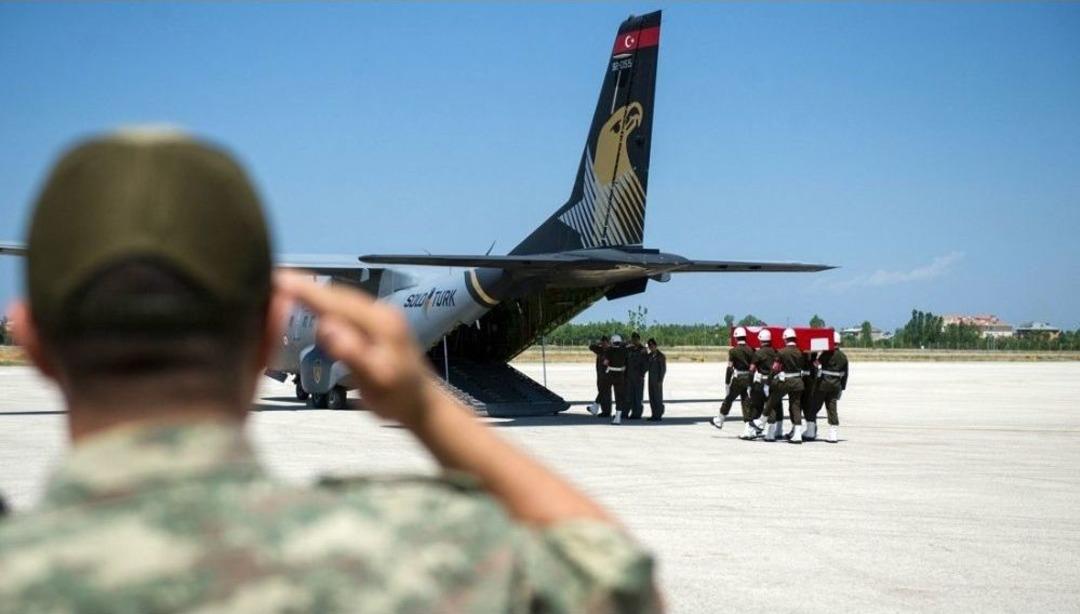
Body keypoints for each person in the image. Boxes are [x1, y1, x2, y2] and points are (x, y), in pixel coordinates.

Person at [0, 131, 660, 612]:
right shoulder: (417, 555)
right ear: (267, 332)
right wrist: (427, 414)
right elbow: (617, 586)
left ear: (30, 339)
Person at [765, 328, 807, 443]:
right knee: (796, 406)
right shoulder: (800, 352)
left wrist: (768, 382)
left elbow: (775, 368)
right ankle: (797, 434)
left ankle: (767, 427)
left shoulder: (781, 352)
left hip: (785, 382)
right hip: (798, 382)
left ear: (785, 339)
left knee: (773, 401)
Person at [810, 331, 849, 443]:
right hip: (836, 385)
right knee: (832, 408)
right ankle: (833, 435)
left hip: (823, 384)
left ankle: (811, 431)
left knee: (814, 407)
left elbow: (816, 364)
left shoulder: (826, 353)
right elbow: (845, 373)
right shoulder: (843, 356)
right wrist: (842, 387)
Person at [711, 326, 753, 430]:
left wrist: (727, 382)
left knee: (729, 399)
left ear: (736, 338)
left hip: (738, 378)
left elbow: (730, 368)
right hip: (748, 378)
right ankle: (748, 426)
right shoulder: (751, 350)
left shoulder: (733, 351)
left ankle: (720, 419)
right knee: (746, 401)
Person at [744, 328, 777, 440]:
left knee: (756, 406)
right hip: (773, 382)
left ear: (760, 340)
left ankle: (751, 431)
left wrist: (749, 385)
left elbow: (751, 370)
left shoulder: (758, 353)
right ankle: (771, 433)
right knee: (771, 406)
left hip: (761, 382)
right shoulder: (775, 352)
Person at [605, 334, 630, 424]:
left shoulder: (609, 350)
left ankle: (595, 406)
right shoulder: (624, 350)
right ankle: (618, 417)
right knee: (619, 397)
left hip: (611, 374)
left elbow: (605, 362)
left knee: (604, 390)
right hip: (620, 375)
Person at [626, 331, 648, 419]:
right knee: (630, 396)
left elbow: (646, 364)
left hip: (638, 377)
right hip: (630, 377)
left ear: (639, 340)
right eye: (633, 339)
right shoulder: (629, 349)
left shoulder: (643, 350)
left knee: (638, 397)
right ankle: (630, 413)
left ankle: (637, 414)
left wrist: (642, 374)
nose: (634, 341)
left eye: (636, 339)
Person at [587, 334, 610, 416]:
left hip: (607, 376)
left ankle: (605, 411)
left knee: (605, 393)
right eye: (602, 343)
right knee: (602, 392)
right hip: (600, 376)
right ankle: (603, 410)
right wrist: (599, 344)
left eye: (605, 343)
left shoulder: (610, 351)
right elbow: (591, 347)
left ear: (608, 342)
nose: (604, 344)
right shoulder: (599, 350)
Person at [645, 338, 666, 421]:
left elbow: (663, 369)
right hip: (650, 380)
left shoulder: (661, 356)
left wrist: (661, 380)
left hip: (657, 380)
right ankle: (654, 414)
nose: (651, 348)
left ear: (655, 346)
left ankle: (659, 414)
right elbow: (645, 365)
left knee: (658, 398)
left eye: (652, 346)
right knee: (652, 398)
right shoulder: (649, 356)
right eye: (649, 346)